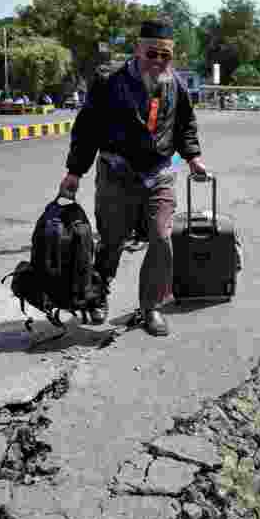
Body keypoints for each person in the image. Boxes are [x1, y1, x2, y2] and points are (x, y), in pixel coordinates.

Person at [60, 18, 207, 336]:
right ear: (137, 49)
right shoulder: (108, 80)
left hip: (159, 174)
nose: (157, 62)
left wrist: (193, 158)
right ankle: (97, 295)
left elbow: (185, 125)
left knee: (161, 237)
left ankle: (150, 307)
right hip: (117, 172)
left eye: (165, 56)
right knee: (112, 241)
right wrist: (74, 172)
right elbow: (87, 130)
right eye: (151, 54)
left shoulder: (176, 84)